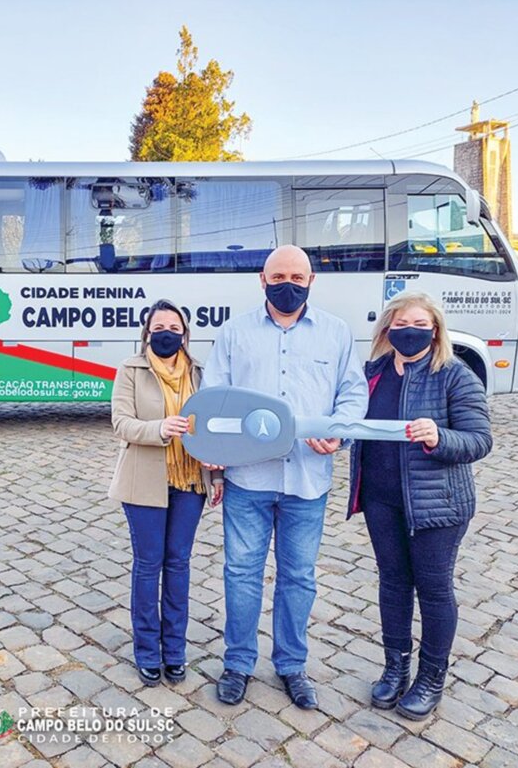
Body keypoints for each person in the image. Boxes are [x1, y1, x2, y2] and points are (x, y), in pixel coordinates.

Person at [204, 245, 368, 709]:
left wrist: (339, 436)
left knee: (299, 577)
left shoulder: (336, 334)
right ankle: (237, 664)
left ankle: (292, 665)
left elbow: (353, 396)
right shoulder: (234, 333)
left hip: (308, 481)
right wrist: (213, 463)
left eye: (298, 276)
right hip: (248, 480)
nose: (288, 283)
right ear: (262, 280)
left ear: (312, 281)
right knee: (241, 574)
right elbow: (213, 398)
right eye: (279, 275)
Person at [348, 292, 491, 720]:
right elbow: (353, 421)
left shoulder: (453, 374)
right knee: (392, 583)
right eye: (400, 322)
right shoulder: (372, 372)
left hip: (437, 505)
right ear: (387, 328)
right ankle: (395, 667)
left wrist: (439, 436)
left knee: (432, 588)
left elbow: (479, 439)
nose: (409, 330)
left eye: (419, 324)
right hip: (381, 498)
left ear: (434, 330)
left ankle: (431, 677)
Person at [109, 298, 223, 686]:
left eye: (173, 329)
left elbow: (211, 428)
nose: (166, 335)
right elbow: (120, 423)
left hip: (190, 481)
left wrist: (218, 474)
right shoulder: (131, 370)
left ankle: (175, 651)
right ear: (146, 334)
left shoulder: (200, 373)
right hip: (144, 481)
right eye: (158, 329)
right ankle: (146, 651)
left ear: (185, 333)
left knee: (178, 564)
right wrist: (158, 429)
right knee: (148, 564)